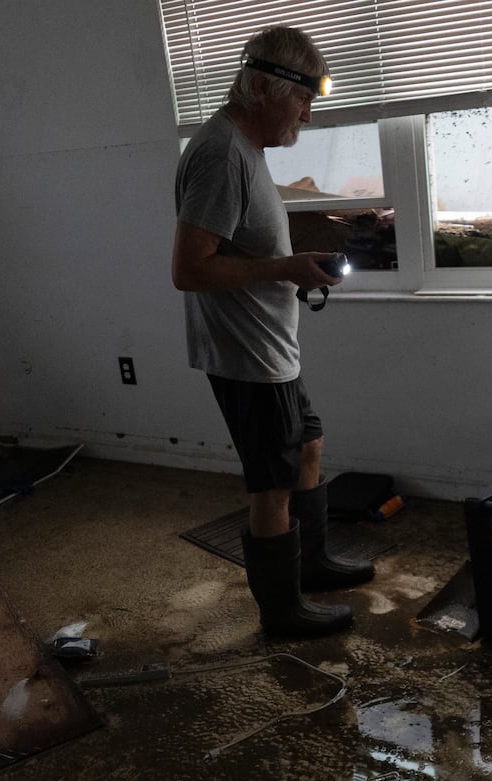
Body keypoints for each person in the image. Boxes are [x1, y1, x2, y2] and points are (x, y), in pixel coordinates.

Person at [171, 25, 374, 640]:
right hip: (246, 356)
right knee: (273, 482)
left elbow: (241, 251)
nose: (309, 115)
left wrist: (292, 272)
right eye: (303, 99)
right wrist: (286, 268)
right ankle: (282, 612)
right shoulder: (219, 154)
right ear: (262, 86)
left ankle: (308, 566)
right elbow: (189, 269)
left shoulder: (248, 151)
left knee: (307, 446)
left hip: (272, 346)